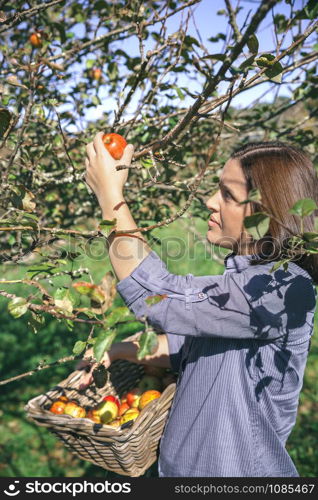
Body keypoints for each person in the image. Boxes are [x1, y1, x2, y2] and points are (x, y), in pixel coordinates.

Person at [80, 135, 317, 477]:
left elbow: (158, 297)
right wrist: (118, 350)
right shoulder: (249, 283)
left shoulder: (281, 288)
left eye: (228, 196)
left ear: (265, 215)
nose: (209, 201)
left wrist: (110, 197)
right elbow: (205, 344)